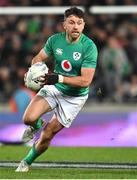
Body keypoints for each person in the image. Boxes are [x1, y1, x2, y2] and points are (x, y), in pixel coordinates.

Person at [15, 7, 98, 172]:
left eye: (79, 23)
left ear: (83, 26)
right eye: (72, 22)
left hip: (75, 97)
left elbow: (85, 81)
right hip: (55, 88)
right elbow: (38, 58)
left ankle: (26, 161)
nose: (76, 27)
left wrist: (58, 78)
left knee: (47, 135)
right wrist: (35, 73)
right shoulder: (55, 41)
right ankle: (36, 125)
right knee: (28, 118)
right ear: (64, 25)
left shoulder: (89, 47)